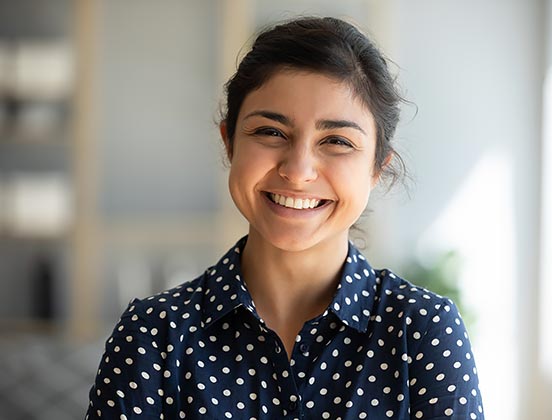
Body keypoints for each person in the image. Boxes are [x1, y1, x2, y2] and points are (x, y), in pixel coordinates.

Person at [86, 16, 484, 419]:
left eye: (337, 141)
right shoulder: (152, 335)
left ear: (378, 167)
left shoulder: (423, 332)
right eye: (271, 132)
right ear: (229, 142)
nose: (297, 170)